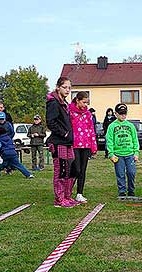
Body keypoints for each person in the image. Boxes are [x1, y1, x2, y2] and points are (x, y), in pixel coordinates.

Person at [46, 77, 79, 208]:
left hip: (68, 142)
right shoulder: (53, 102)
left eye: (69, 88)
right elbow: (51, 122)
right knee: (61, 170)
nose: (67, 90)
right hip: (58, 142)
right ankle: (59, 199)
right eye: (65, 87)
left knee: (72, 170)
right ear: (58, 87)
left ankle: (67, 196)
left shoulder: (64, 103)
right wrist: (64, 133)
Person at [68, 91, 97, 203]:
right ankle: (68, 192)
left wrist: (93, 146)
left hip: (86, 145)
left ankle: (79, 193)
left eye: (87, 102)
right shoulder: (70, 112)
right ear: (77, 100)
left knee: (83, 170)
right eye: (84, 102)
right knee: (76, 169)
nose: (85, 105)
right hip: (74, 144)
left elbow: (91, 130)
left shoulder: (88, 114)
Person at [106, 103, 140, 197]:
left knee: (131, 172)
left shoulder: (131, 126)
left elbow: (135, 140)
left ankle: (131, 190)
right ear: (115, 114)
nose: (123, 115)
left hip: (130, 154)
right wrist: (111, 154)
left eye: (124, 113)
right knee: (120, 174)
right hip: (118, 155)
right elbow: (109, 140)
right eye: (121, 113)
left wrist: (136, 152)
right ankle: (122, 191)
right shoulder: (112, 126)